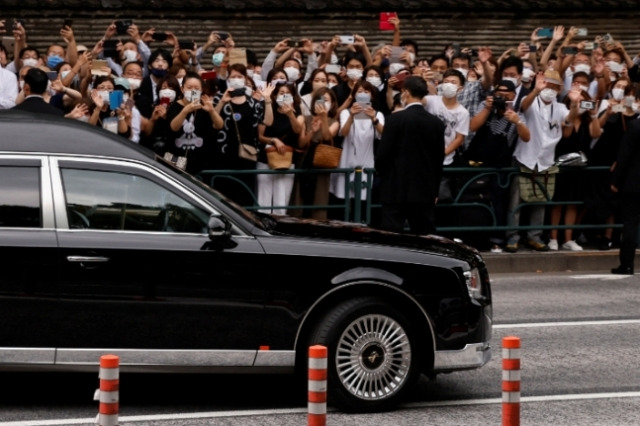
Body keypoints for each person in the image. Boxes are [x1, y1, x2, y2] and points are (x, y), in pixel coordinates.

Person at [504, 69, 581, 252]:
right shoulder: (530, 101)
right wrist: (536, 90)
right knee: (516, 201)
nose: (550, 89)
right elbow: (523, 106)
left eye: (555, 86)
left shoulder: (560, 107)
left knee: (540, 201)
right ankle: (512, 237)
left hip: (546, 160)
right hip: (525, 157)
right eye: (548, 84)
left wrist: (575, 104)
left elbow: (569, 122)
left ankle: (535, 236)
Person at [375, 76, 445, 235]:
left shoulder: (394, 120)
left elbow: (382, 155)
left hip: (395, 188)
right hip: (424, 191)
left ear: (405, 92)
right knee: (424, 239)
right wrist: (434, 190)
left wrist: (385, 177)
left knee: (391, 238)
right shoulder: (436, 123)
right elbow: (438, 161)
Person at [548, 84, 602, 251]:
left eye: (583, 101)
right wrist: (573, 108)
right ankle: (553, 238)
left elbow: (596, 134)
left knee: (572, 204)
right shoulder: (565, 116)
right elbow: (567, 133)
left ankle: (568, 239)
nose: (580, 104)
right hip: (562, 166)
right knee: (558, 203)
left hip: (581, 167)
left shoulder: (587, 121)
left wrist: (594, 115)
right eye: (577, 100)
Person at [329, 80, 384, 221]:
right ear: (354, 95)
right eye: (359, 91)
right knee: (343, 199)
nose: (363, 94)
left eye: (366, 92)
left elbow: (383, 135)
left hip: (366, 162)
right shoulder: (346, 113)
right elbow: (344, 132)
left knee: (362, 200)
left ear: (372, 96)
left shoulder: (378, 114)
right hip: (347, 161)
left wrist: (373, 119)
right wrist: (352, 116)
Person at [256, 82, 304, 214]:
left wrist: (290, 114)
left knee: (281, 200)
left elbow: (297, 129)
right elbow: (260, 135)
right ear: (275, 95)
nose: (284, 96)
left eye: (288, 93)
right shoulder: (268, 107)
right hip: (266, 157)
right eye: (281, 93)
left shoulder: (298, 111)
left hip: (286, 159)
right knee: (263, 198)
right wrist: (274, 140)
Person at [610, 118, 640, 275]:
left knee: (630, 224)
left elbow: (625, 154)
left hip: (635, 183)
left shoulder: (635, 125)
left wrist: (616, 181)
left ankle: (627, 264)